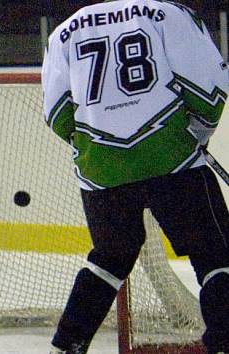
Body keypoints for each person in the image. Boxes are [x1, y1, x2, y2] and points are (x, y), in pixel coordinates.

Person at [42, 1, 229, 353]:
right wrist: (195, 135)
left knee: (110, 259)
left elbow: (56, 114)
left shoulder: (64, 30)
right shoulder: (167, 13)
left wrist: (101, 148)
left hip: (101, 171)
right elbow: (211, 90)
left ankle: (66, 346)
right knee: (215, 253)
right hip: (171, 159)